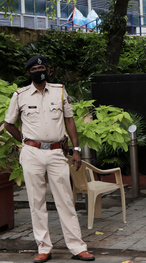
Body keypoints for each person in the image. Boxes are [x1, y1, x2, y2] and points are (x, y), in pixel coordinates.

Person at [4, 56, 95, 262]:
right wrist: (25, 141)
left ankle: (77, 247)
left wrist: (76, 149)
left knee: (65, 200)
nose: (39, 70)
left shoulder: (60, 90)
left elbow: (69, 119)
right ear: (29, 73)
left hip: (56, 152)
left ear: (47, 69)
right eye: (35, 68)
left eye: (42, 67)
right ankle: (44, 248)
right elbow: (9, 123)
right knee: (37, 202)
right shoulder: (20, 95)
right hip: (32, 153)